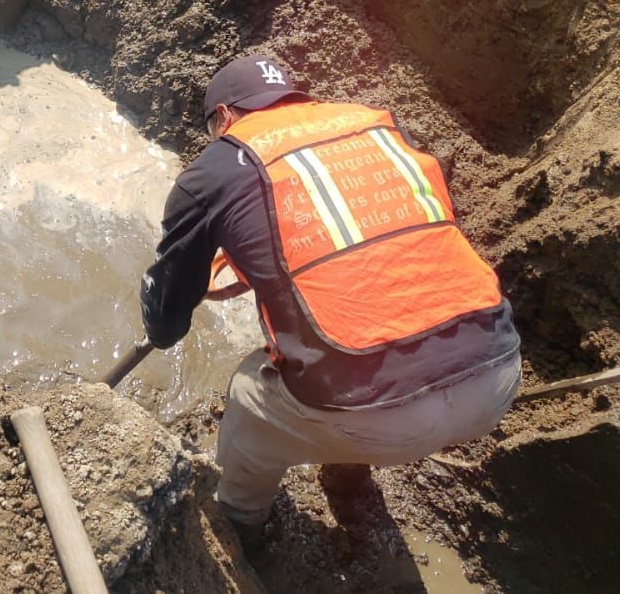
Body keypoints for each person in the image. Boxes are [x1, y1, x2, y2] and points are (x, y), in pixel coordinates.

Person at [140, 53, 521, 541]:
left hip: (379, 415)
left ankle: (241, 527)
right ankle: (349, 470)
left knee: (248, 391)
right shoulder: (375, 126)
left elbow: (169, 313)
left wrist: (162, 323)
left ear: (224, 118)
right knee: (365, 329)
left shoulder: (218, 166)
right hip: (496, 372)